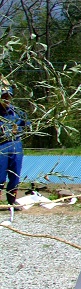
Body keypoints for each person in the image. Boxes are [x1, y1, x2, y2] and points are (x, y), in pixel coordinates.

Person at [0, 79, 29, 207]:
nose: (6, 99)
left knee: (15, 175)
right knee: (0, 176)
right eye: (3, 97)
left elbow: (28, 126)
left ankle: (12, 201)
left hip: (16, 146)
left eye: (8, 97)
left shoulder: (17, 112)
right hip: (1, 146)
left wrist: (20, 130)